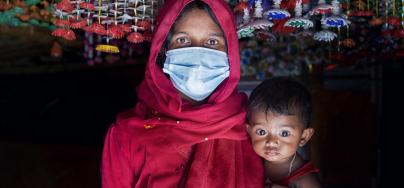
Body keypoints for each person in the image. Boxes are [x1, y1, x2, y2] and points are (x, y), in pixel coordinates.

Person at [101, 0, 264, 187]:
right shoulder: (126, 136)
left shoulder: (254, 131)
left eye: (212, 42)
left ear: (231, 53)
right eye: (183, 40)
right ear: (162, 51)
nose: (198, 54)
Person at [246, 78, 321, 188]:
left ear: (303, 137)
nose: (271, 142)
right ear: (249, 131)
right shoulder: (249, 157)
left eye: (284, 133)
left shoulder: (305, 180)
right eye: (261, 132)